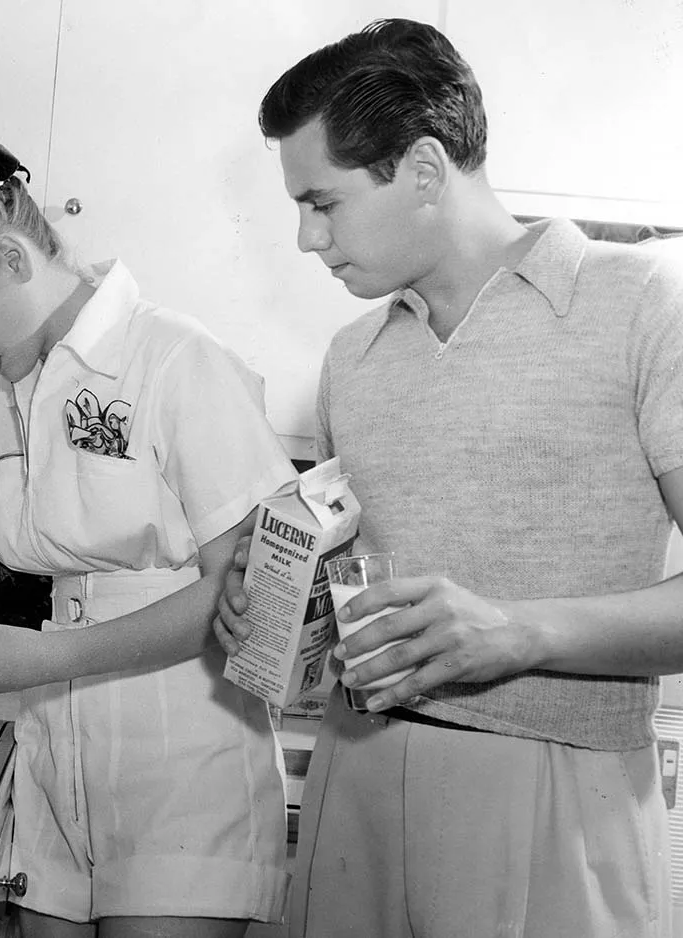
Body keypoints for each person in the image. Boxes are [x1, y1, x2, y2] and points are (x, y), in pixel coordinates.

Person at [213, 17, 682, 938]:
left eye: (323, 202)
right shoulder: (351, 356)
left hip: (556, 791)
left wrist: (521, 632)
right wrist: (275, 605)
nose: (306, 238)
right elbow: (349, 583)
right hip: (355, 773)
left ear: (424, 169)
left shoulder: (640, 306)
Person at [0, 142, 296, 938]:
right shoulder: (3, 385)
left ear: (14, 258)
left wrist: (45, 658)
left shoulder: (174, 357)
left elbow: (244, 593)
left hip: (182, 762)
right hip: (54, 760)